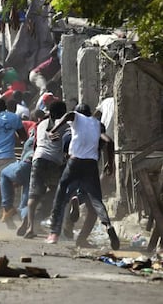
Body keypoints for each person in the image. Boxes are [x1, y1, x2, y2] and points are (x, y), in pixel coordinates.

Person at [45, 103, 120, 250]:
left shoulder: (72, 125)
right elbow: (109, 142)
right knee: (96, 202)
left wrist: (52, 131)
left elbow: (69, 116)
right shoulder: (97, 124)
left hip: (74, 164)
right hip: (91, 166)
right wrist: (110, 164)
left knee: (61, 196)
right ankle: (107, 224)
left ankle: (54, 233)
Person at [20, 101, 68, 239]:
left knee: (33, 194)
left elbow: (35, 144)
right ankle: (39, 215)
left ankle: (30, 226)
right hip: (54, 161)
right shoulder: (65, 124)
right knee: (55, 193)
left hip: (38, 158)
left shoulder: (40, 124)